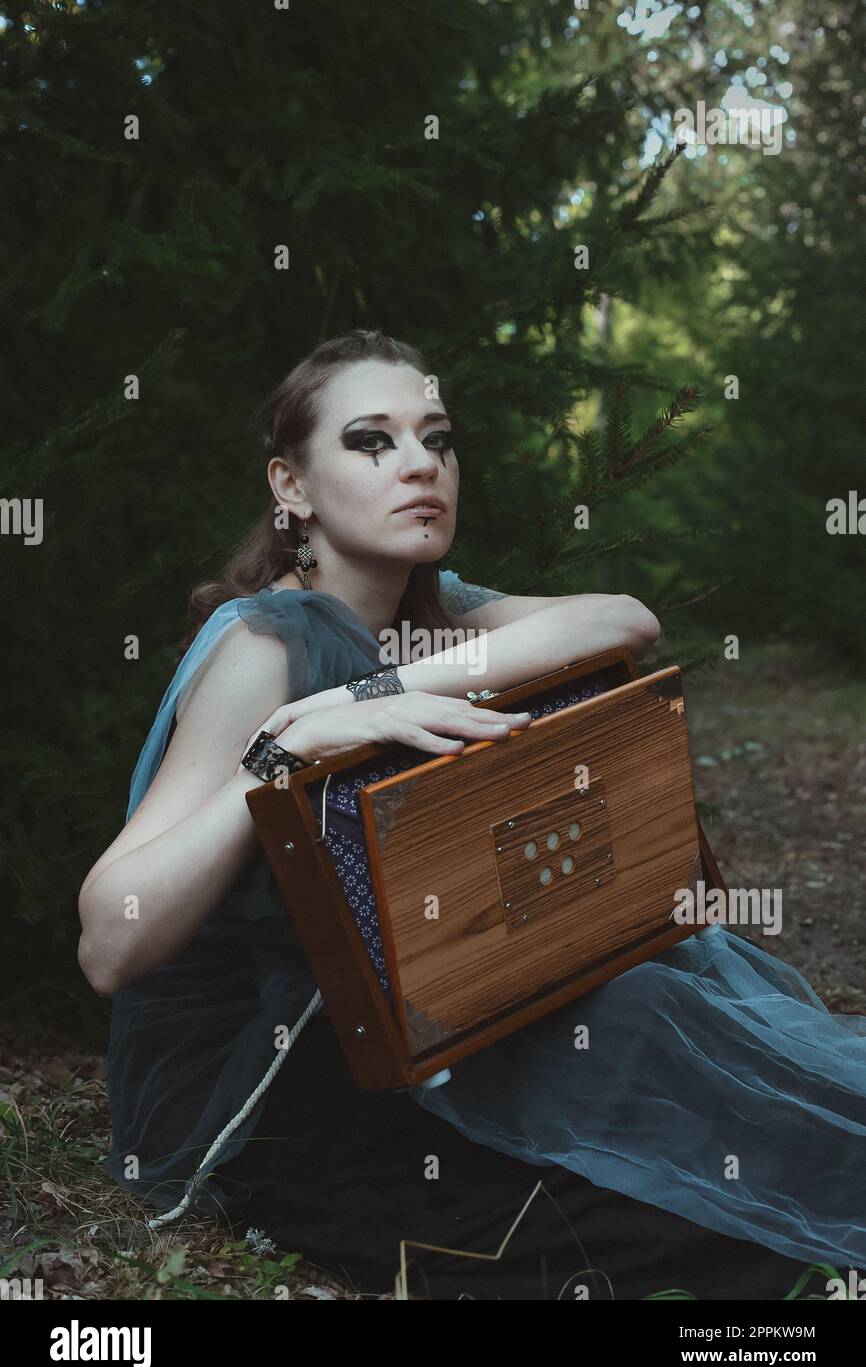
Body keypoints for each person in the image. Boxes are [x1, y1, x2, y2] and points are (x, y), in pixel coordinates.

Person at [78, 329, 866, 1301]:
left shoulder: (431, 610)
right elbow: (107, 942)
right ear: (291, 487)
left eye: (436, 439)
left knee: (639, 1008)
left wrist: (379, 690)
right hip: (263, 1068)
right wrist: (278, 758)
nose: (418, 464)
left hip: (402, 1007)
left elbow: (620, 619)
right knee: (658, 1213)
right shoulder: (261, 646)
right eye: (370, 441)